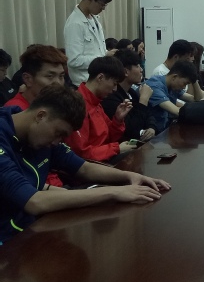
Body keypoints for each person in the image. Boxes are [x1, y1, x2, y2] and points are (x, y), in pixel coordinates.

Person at [0, 84, 170, 245]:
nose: (57, 142)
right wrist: (114, 192)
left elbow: (84, 168)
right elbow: (34, 201)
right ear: (41, 116)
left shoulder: (39, 133)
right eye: (58, 133)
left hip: (27, 228)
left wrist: (130, 176)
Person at [64, 56, 138, 162]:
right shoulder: (77, 104)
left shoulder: (96, 102)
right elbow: (81, 153)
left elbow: (108, 137)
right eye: (114, 83)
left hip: (102, 158)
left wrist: (117, 120)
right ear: (100, 78)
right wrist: (116, 149)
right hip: (91, 165)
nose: (115, 89)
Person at [64, 0, 117, 86]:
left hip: (98, 81)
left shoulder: (93, 18)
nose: (103, 8)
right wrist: (103, 57)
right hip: (83, 84)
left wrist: (107, 54)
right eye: (102, 4)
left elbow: (96, 50)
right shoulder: (75, 23)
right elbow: (74, 60)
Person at [101, 50, 157, 143]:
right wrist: (143, 100)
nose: (141, 70)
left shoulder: (132, 92)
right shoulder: (111, 96)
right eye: (137, 66)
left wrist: (151, 127)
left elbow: (148, 114)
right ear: (126, 72)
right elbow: (131, 130)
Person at [4, 45, 67, 110]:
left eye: (61, 76)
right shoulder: (14, 110)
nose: (58, 83)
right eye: (50, 76)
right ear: (28, 79)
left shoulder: (55, 103)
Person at [146, 60, 200, 133]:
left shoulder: (172, 85)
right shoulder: (155, 86)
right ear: (174, 77)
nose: (184, 87)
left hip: (164, 129)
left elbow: (197, 100)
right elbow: (177, 111)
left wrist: (194, 81)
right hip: (152, 132)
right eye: (185, 83)